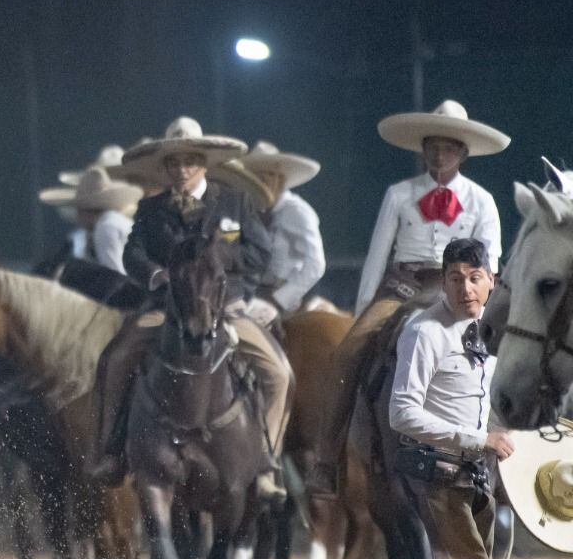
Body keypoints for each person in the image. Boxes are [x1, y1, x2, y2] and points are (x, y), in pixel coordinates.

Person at [90, 117, 292, 500]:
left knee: (278, 372)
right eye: (174, 163)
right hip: (165, 309)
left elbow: (260, 251)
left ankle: (266, 462)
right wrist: (156, 276)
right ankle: (112, 452)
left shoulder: (234, 201)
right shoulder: (150, 210)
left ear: (204, 163)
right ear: (165, 167)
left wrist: (220, 263)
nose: (181, 170)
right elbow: (133, 254)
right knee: (114, 360)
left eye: (189, 162)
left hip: (224, 306)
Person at [313, 100, 509, 492]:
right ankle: (327, 460)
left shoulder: (481, 200)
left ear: (463, 152)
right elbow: (377, 254)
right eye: (433, 146)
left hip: (459, 287)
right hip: (402, 285)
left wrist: (486, 307)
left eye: (449, 147)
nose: (440, 154)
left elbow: (492, 260)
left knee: (501, 359)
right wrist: (365, 306)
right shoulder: (399, 193)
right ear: (423, 150)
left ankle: (503, 464)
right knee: (348, 352)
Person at [389, 238, 513, 559]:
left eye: (474, 277)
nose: (465, 287)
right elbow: (401, 411)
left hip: (476, 472)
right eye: (455, 278)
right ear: (442, 281)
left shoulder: (495, 332)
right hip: (436, 472)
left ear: (492, 280)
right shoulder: (422, 333)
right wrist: (475, 437)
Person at [240, 141, 327, 315]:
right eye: (257, 179)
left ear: (281, 180)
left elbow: (316, 264)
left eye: (269, 177)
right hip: (251, 291)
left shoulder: (297, 212)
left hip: (287, 295)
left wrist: (281, 298)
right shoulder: (246, 211)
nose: (262, 185)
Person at [70, 165, 142, 275]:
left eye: (78, 210)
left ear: (86, 210)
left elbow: (114, 275)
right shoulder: (114, 221)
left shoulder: (105, 227)